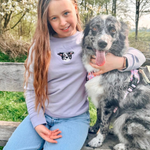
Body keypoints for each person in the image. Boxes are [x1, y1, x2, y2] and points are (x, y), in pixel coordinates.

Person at [4, 0, 146, 150]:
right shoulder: (39, 46)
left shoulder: (88, 42)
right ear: (46, 20)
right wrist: (38, 123)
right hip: (41, 116)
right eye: (54, 18)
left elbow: (139, 56)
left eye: (66, 13)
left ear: (75, 9)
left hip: (73, 121)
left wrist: (119, 62)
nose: (62, 22)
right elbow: (31, 89)